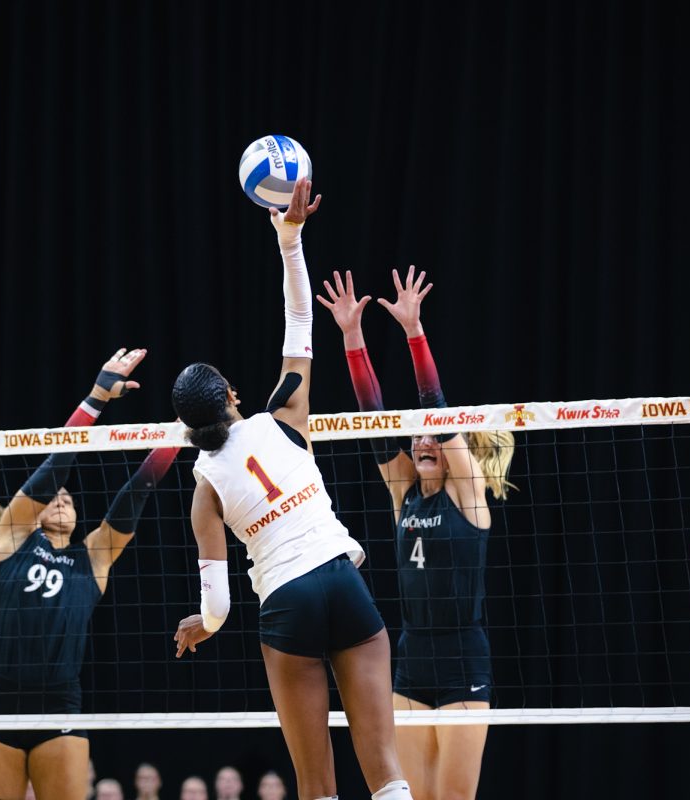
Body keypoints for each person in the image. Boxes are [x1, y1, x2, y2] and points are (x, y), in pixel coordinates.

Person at [171, 177, 411, 800]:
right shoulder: (283, 416)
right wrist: (290, 239)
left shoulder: (204, 488)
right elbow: (300, 319)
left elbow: (219, 608)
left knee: (316, 784)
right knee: (385, 767)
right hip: (341, 580)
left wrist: (202, 625)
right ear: (230, 397)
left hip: (286, 603)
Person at [318, 266, 515, 800]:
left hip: (462, 662)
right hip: (411, 658)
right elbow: (373, 417)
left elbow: (439, 412)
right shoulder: (403, 490)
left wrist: (413, 331)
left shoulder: (468, 494)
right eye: (418, 435)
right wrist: (352, 336)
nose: (424, 439)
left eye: (435, 436)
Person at [0, 347, 179, 800]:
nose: (59, 498)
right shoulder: (13, 538)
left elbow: (135, 494)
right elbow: (53, 468)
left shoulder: (94, 558)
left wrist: (177, 436)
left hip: (59, 706)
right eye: (52, 498)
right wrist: (96, 398)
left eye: (68, 497)